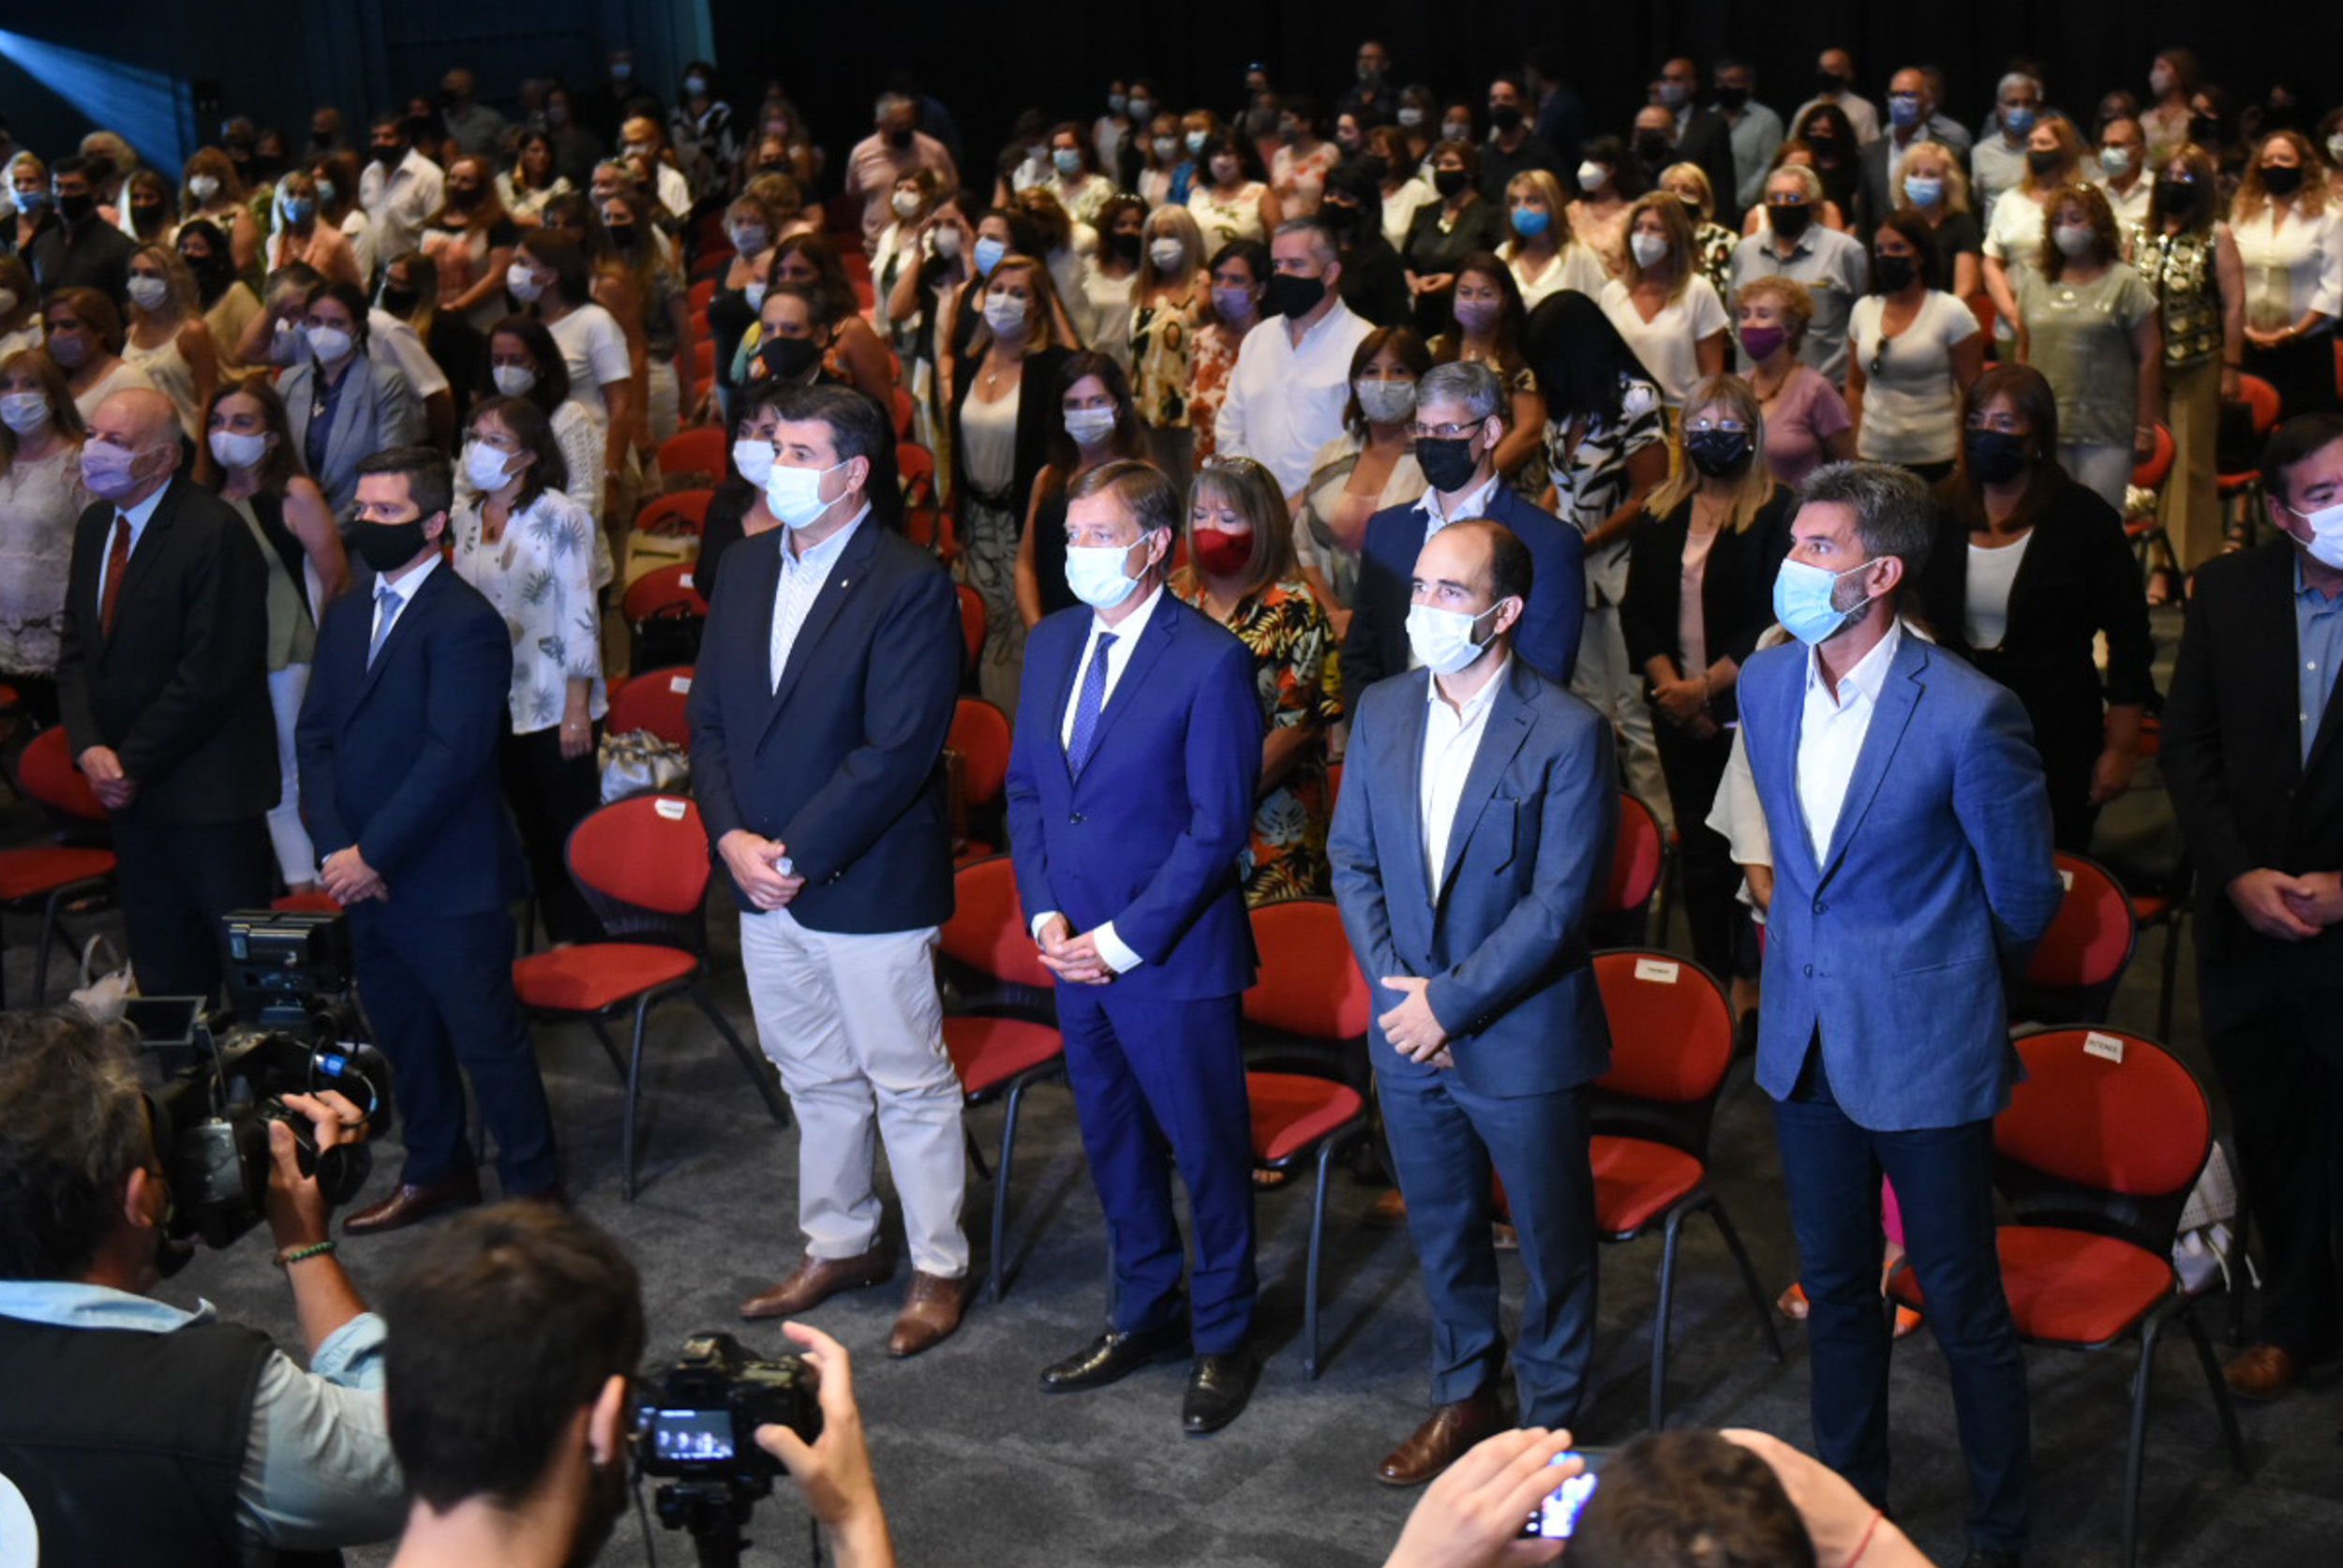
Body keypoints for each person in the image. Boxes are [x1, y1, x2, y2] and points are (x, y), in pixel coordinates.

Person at [1739, 460, 2061, 1568]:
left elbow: (2023, 896)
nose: (1793, 562)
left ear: (1879, 573)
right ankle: (1848, 1514)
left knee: (1963, 1303)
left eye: (1817, 546)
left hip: (1926, 1045)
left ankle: (1998, 1535)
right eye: (1795, 540)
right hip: (1803, 1040)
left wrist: (1938, 977)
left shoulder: (1971, 712)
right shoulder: (1764, 683)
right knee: (1836, 1292)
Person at [682, 383, 971, 1357]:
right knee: (812, 1074)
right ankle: (841, 1241)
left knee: (907, 1080)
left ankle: (939, 1264)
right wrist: (731, 838)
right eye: (775, 447)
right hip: (759, 874)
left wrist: (791, 856)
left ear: (853, 474)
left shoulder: (909, 583)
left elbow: (896, 752)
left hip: (865, 879)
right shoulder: (743, 564)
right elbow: (708, 721)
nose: (778, 466)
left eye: (800, 453)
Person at [1332, 509, 1614, 1486]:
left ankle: (1547, 1429)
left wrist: (1447, 1004)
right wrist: (1400, 996)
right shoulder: (1382, 709)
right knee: (1443, 1227)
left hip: (1521, 1034)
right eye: (1419, 587)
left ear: (1504, 612)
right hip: (1405, 1031)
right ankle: (1464, 1395)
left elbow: (1559, 906)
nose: (1425, 607)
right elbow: (1352, 859)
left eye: (1449, 591)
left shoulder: (1569, 730)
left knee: (1552, 1241)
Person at [1004, 459, 1264, 1435]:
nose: (1078, 553)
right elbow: (1029, 792)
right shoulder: (1052, 642)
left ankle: (1224, 1334)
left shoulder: (1210, 660)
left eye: (1100, 536)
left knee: (1207, 1153)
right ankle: (1144, 1311)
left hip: (1169, 958)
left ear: (1154, 546)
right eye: (1072, 534)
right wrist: (1044, 914)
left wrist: (1121, 940)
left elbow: (1216, 828)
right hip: (1070, 951)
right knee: (1113, 1143)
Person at [0, 1011, 406, 1564]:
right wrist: (304, 1244)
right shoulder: (216, 1401)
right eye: (160, 1165)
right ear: (139, 1200)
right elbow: (416, 1456)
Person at [298, 444, 562, 1230]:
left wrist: (371, 855)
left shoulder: (464, 622)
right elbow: (316, 738)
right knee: (405, 1035)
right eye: (363, 507)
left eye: (388, 510)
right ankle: (436, 1169)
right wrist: (337, 851)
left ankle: (534, 1195)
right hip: (362, 874)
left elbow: (454, 757)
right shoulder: (349, 611)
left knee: (488, 1042)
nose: (366, 522)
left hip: (447, 877)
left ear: (434, 522)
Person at [2163, 411, 2343, 1407]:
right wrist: (2235, 875)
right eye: (2323, 495)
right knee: (2272, 1131)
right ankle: (2295, 1323)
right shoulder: (2228, 592)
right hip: (2248, 921)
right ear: (2278, 511)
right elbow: (2187, 749)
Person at [58, 387, 274, 1001]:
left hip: (208, 795)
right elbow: (75, 651)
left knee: (250, 977)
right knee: (165, 975)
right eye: (93, 435)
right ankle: (179, 1064)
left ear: (163, 457)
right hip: (130, 799)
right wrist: (89, 748)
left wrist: (130, 763)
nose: (95, 451)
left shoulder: (214, 532)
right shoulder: (96, 525)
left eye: (116, 441)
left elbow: (210, 674)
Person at [1915, 365, 2154, 855]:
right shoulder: (1939, 510)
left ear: (2037, 438)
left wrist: (2121, 747)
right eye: (1977, 421)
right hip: (1955, 724)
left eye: (2005, 424)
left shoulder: (2083, 520)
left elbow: (2130, 637)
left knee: (2049, 858)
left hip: (2055, 728)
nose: (1987, 434)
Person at [1624, 376, 1797, 978]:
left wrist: (1705, 690)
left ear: (1753, 435)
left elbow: (1774, 616)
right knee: (1698, 846)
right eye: (1700, 425)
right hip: (1674, 707)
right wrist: (1674, 692)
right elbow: (1636, 611)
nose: (1712, 437)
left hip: (1745, 709)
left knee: (1752, 848)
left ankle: (1755, 981)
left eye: (1727, 427)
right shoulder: (1658, 511)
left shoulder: (1779, 512)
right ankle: (1710, 975)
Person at [446, 396, 605, 947]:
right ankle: (551, 943)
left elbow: (581, 614)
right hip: (494, 701)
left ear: (529, 454)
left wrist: (577, 710)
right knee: (529, 831)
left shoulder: (562, 517)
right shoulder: (465, 518)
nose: (479, 450)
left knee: (569, 830)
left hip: (553, 700)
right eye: (475, 437)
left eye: (495, 441)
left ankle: (585, 943)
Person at [1345, 359, 1584, 696]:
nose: (1431, 442)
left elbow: (1544, 676)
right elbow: (1361, 656)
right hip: (1394, 723)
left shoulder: (1548, 543)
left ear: (1490, 432)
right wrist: (1376, 724)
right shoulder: (1386, 530)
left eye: (1447, 430)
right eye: (1422, 429)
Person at [1529, 291, 1671, 828]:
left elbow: (1650, 494)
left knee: (1635, 714)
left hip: (1622, 572)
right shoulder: (1567, 406)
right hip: (1570, 575)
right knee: (1586, 708)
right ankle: (1600, 829)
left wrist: (1585, 541)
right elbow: (1561, 485)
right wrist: (1542, 530)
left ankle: (1661, 836)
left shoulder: (1635, 400)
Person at [1172, 455, 1340, 902]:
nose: (1210, 528)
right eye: (1200, 515)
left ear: (1262, 524)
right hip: (1180, 820)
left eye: (1228, 518)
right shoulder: (1174, 597)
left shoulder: (1294, 606)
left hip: (1270, 824)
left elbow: (1297, 727)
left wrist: (1216, 803)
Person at [207, 381, 348, 896]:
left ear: (270, 437)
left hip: (289, 650)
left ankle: (317, 887)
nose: (226, 433)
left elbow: (335, 578)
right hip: (230, 658)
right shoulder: (206, 501)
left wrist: (331, 659)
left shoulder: (293, 493)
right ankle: (294, 887)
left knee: (293, 772)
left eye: (241, 422)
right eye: (217, 422)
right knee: (259, 774)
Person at [951, 251, 1074, 720]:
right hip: (977, 522)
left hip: (1024, 521)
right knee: (985, 634)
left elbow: (1087, 373)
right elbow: (954, 448)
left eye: (1019, 293)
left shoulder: (1051, 366)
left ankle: (1032, 733)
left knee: (1027, 632)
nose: (1004, 300)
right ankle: (993, 736)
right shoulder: (970, 361)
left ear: (1038, 304)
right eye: (998, 290)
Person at [2010, 183, 2162, 510]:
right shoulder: (2034, 281)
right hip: (2046, 426)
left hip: (2106, 430)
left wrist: (2145, 426)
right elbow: (2023, 352)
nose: (2066, 228)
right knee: (2049, 519)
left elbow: (2150, 354)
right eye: (2057, 221)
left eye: (2075, 219)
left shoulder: (2125, 282)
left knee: (2099, 519)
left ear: (2098, 224)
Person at [2136, 143, 2246, 576]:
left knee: (2191, 466)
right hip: (2146, 366)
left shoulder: (2216, 235)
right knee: (2152, 463)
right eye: (2167, 176)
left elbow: (2234, 306)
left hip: (2199, 362)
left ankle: (2193, 565)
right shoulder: (2139, 234)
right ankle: (2158, 563)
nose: (2173, 184)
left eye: (2183, 177)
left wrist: (2232, 368)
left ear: (2200, 186)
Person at [1218, 219, 1374, 504]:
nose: (1283, 275)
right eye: (1277, 265)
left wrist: (1303, 504)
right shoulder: (1258, 338)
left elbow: (1366, 446)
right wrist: (1248, 493)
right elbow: (1230, 426)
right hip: (1254, 505)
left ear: (1330, 273)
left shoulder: (1364, 344)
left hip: (1328, 510)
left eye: (1296, 264)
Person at [1293, 327, 1430, 628]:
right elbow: (1304, 548)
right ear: (1355, 382)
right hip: (1332, 627)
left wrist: (1364, 624)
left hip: (1407, 628)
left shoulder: (1435, 463)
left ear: (1422, 382)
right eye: (1371, 371)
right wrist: (1333, 615)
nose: (1383, 383)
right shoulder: (1329, 458)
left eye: (1398, 371)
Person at [1846, 215, 1986, 484]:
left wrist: (1963, 459)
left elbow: (1972, 391)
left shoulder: (1951, 312)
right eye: (1879, 250)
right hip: (1873, 452)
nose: (1887, 257)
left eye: (1897, 248)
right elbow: (1854, 385)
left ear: (1920, 255)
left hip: (1936, 456)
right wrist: (1853, 449)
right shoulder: (1863, 309)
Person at [1019, 351, 1148, 626]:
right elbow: (1026, 566)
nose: (1085, 413)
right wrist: (1038, 631)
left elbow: (1153, 573)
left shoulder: (1142, 478)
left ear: (1118, 407)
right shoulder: (1046, 479)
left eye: (1097, 402)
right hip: (1054, 628)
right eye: (1074, 405)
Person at [279, 278, 422, 517]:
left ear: (358, 328)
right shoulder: (289, 382)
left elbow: (390, 467)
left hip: (361, 520)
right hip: (295, 518)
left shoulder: (385, 383)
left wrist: (336, 529)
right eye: (315, 321)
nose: (323, 331)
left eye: (336, 323)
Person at [0, 348, 89, 719]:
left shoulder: (80, 462)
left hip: (56, 637)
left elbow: (100, 547)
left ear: (53, 394)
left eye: (30, 384)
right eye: (6, 385)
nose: (16, 395)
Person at [2231, 131, 2342, 418]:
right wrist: (2246, 330)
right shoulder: (2243, 214)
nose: (2275, 165)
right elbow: (2231, 277)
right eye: (2268, 160)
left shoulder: (2329, 218)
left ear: (2303, 166)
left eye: (2284, 159)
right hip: (2251, 344)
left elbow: (2334, 288)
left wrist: (2293, 331)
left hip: (2306, 349)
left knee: (2306, 434)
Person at [1730, 166, 1869, 384]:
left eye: (1793, 198)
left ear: (1813, 205)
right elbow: (1734, 314)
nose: (1782, 205)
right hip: (1753, 388)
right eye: (1774, 198)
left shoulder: (1844, 251)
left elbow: (1866, 320)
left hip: (1825, 387)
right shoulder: (1745, 251)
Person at [1600, 192, 1727, 409]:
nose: (1643, 236)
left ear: (1674, 236)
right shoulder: (1612, 293)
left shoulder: (1699, 291)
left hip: (1682, 414)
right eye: (1638, 228)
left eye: (1654, 228)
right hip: (1623, 415)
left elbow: (1712, 376)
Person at [1433, 253, 1545, 496]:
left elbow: (1529, 432)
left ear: (1504, 301)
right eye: (1465, 293)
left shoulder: (1519, 363)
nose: (1473, 302)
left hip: (1505, 489)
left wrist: (1473, 482)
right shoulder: (1433, 351)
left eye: (1485, 294)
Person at [1981, 112, 2089, 352]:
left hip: (2068, 324)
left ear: (2063, 150)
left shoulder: (2081, 201)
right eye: (2031, 143)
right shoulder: (2009, 200)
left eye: (2044, 143)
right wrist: (2012, 315)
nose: (2035, 149)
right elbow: (1992, 263)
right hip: (2013, 325)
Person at [1735, 277, 1855, 489]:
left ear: (1790, 327)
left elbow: (1847, 468)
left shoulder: (1817, 390)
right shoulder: (1736, 387)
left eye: (1763, 315)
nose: (1750, 324)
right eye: (1745, 315)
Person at [1127, 203, 1209, 476]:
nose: (1161, 244)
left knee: (1193, 483)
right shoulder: (1141, 288)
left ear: (1188, 238)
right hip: (1147, 408)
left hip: (1188, 406)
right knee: (1159, 482)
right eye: (1154, 237)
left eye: (1170, 235)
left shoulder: (1202, 284)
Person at [1403, 140, 1506, 339]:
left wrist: (1455, 281)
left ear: (1470, 171)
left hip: (1468, 314)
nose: (1442, 170)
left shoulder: (1489, 215)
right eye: (1438, 165)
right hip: (1423, 314)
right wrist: (1414, 283)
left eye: (1450, 164)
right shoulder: (1424, 213)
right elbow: (1406, 261)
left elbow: (1497, 267)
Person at [120, 246, 218, 442]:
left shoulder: (192, 332)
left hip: (184, 439)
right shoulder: (131, 332)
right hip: (141, 440)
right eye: (135, 274)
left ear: (172, 279)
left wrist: (203, 453)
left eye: (150, 274)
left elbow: (208, 397)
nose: (140, 282)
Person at [1856, 67, 1973, 232]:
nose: (1899, 102)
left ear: (1927, 101)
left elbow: (1961, 208)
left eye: (1908, 95)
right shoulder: (1871, 153)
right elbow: (1864, 218)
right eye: (1894, 95)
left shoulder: (1951, 153)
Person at [846, 92, 959, 258]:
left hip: (925, 246)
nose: (904, 129)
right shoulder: (862, 154)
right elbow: (856, 197)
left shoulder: (934, 151)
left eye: (909, 123)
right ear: (880, 124)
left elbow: (951, 193)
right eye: (898, 125)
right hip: (878, 247)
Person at [1189, 238, 1263, 467]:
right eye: (1219, 278)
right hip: (1204, 473)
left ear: (1260, 289)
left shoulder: (1273, 344)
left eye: (1236, 280)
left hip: (1258, 474)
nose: (1224, 287)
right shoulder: (1199, 342)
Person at [25, 156, 133, 303]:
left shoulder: (119, 246)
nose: (63, 194)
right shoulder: (43, 243)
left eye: (73, 187)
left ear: (95, 192)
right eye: (58, 187)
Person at [45, 287, 157, 425]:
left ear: (99, 330)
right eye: (50, 328)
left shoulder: (128, 379)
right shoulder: (59, 377)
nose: (56, 335)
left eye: (69, 326)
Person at [1889, 142, 1983, 302]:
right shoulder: (1892, 225)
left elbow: (1966, 289)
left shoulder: (1963, 225)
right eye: (1914, 173)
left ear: (1948, 181)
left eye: (1931, 174)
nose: (1921, 180)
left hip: (1947, 312)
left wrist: (1935, 316)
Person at [358, 111, 445, 284]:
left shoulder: (429, 175)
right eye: (375, 137)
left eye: (387, 137)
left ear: (405, 140)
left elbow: (438, 232)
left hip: (416, 275)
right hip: (378, 273)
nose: (380, 142)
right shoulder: (369, 173)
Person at [1500, 169, 1604, 311]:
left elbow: (1598, 312)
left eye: (1532, 201)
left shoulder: (1579, 257)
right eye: (1515, 202)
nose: (1521, 209)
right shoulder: (1504, 254)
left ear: (1552, 205)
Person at [1321, 164, 1410, 329]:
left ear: (1363, 207)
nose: (1333, 202)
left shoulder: (1380, 254)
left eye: (1344, 198)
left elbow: (1395, 316)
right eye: (1330, 194)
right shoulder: (1313, 246)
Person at [176, 218, 261, 377]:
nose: (189, 253)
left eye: (198, 248)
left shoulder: (235, 293)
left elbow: (258, 347)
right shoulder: (179, 298)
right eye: (184, 247)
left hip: (235, 385)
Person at [1971, 74, 2049, 225]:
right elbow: (1977, 201)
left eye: (2028, 103)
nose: (2021, 109)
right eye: (2013, 103)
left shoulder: (2050, 149)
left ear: (2037, 107)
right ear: (1999, 108)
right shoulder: (1982, 152)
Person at [1186, 131, 1280, 250]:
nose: (1220, 161)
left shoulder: (1261, 193)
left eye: (1227, 154)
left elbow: (1279, 243)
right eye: (1214, 155)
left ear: (1242, 158)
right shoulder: (1198, 194)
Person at [1569, 139, 1636, 276]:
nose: (1586, 168)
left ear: (1612, 169)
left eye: (1594, 161)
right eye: (1586, 161)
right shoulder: (1573, 210)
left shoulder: (1634, 213)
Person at [1793, 48, 1880, 153]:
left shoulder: (1863, 109)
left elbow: (1872, 150)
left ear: (1848, 74)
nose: (1825, 73)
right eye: (1822, 68)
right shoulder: (1805, 109)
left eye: (1832, 68)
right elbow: (1792, 147)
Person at [497, 131, 572, 228]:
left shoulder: (559, 185)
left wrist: (518, 220)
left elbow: (559, 219)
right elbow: (497, 217)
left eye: (547, 151)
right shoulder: (504, 182)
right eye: (535, 151)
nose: (542, 156)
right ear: (522, 154)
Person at [2095, 116, 2153, 229]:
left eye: (2116, 145)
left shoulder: (2156, 190)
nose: (2107, 152)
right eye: (2104, 146)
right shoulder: (2095, 191)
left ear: (2140, 150)